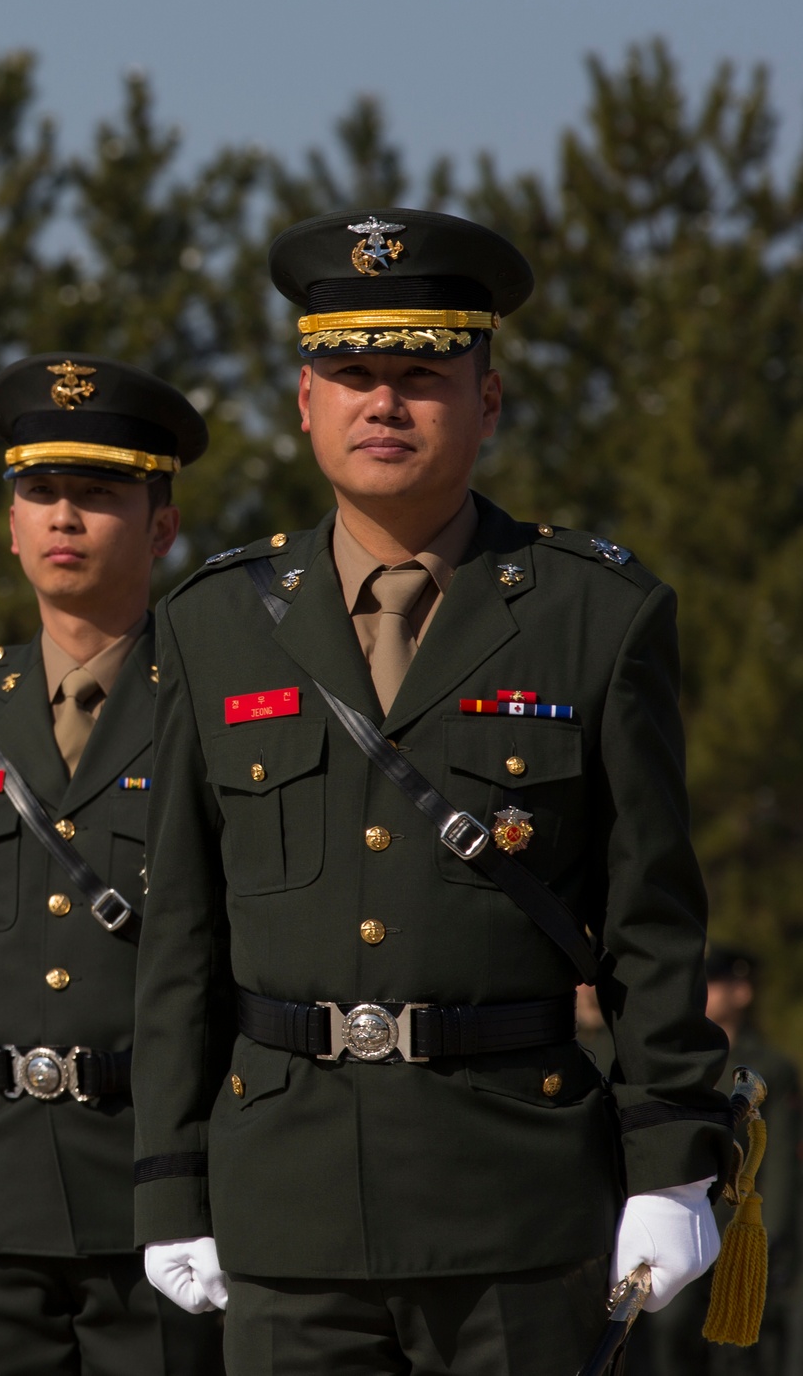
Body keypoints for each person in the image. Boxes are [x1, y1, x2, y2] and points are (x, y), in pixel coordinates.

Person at [131, 210, 734, 1375]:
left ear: (488, 400)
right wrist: (168, 1172)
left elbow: (650, 916)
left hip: (510, 1200)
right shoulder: (213, 623)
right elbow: (179, 938)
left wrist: (672, 1159)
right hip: (285, 1200)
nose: (383, 404)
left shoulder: (593, 615)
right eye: (349, 374)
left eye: (420, 374)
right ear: (303, 402)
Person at [0, 354, 225, 1375]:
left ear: (161, 526)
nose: (63, 518)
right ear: (13, 521)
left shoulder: (218, 709)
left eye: (98, 494)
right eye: (40, 493)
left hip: (156, 1191)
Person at [634, 945, 801, 1376]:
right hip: (686, 1217)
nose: (711, 991)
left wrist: (772, 1234)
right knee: (669, 1335)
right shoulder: (684, 1059)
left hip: (740, 1225)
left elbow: (778, 1157)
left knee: (739, 1352)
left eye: (720, 982)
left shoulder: (771, 1066)